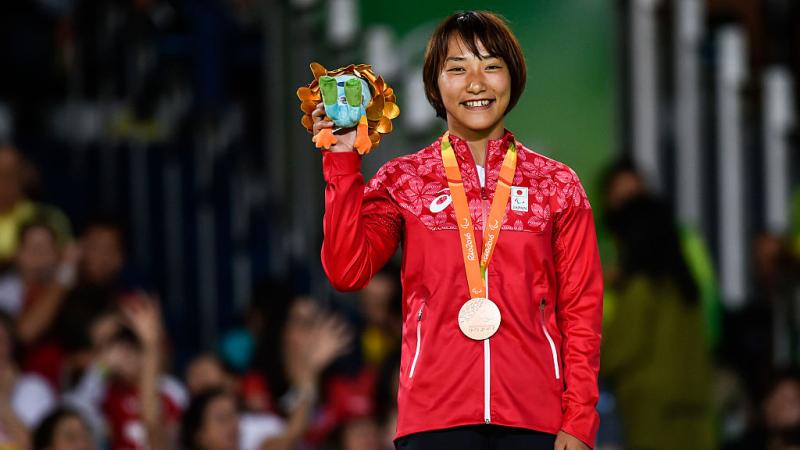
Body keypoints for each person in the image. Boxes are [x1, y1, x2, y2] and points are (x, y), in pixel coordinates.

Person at [315, 10, 603, 450]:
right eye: (457, 68)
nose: (476, 82)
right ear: (433, 85)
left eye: (491, 65)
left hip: (535, 421)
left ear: (514, 77)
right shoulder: (404, 180)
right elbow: (346, 270)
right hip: (433, 421)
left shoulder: (557, 185)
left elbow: (582, 310)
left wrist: (579, 419)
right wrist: (341, 159)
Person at [601, 196, 716, 450]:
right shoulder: (684, 287)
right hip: (695, 402)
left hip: (653, 412)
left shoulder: (641, 289)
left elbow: (619, 351)